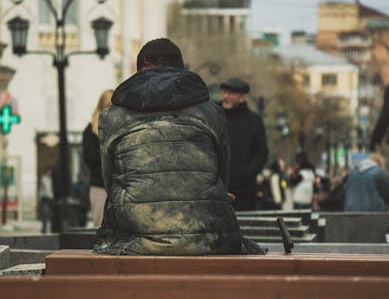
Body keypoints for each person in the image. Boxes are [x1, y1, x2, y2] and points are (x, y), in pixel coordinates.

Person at [94, 38, 259, 255]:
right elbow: (221, 175)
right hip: (207, 241)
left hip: (135, 241)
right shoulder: (211, 112)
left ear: (140, 68)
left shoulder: (111, 115)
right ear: (180, 69)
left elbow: (109, 179)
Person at [220, 77, 268, 211]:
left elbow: (262, 153)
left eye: (231, 93)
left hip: (244, 191)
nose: (226, 96)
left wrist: (246, 173)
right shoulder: (214, 115)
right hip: (215, 189)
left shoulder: (254, 121)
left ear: (242, 97)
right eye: (224, 92)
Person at [82, 89, 113, 228]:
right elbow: (89, 158)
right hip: (100, 185)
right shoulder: (91, 130)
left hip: (121, 186)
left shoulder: (120, 127)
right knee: (100, 225)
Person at [38, 166, 54, 234]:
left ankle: (47, 228)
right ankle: (44, 228)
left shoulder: (51, 179)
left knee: (48, 214)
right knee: (45, 213)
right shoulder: (44, 179)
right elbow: (43, 189)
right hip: (45, 198)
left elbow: (50, 189)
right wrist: (40, 198)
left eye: (50, 171)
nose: (50, 172)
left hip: (50, 198)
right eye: (48, 171)